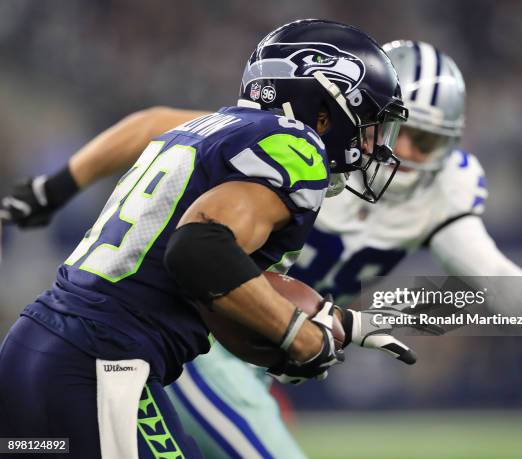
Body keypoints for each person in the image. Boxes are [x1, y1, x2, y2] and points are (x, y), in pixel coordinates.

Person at [0, 20, 413, 459]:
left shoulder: (212, 130)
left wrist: (331, 322)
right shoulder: (296, 145)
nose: (374, 146)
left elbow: (217, 283)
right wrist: (298, 336)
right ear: (325, 110)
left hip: (33, 348)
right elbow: (199, 249)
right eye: (368, 124)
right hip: (103, 364)